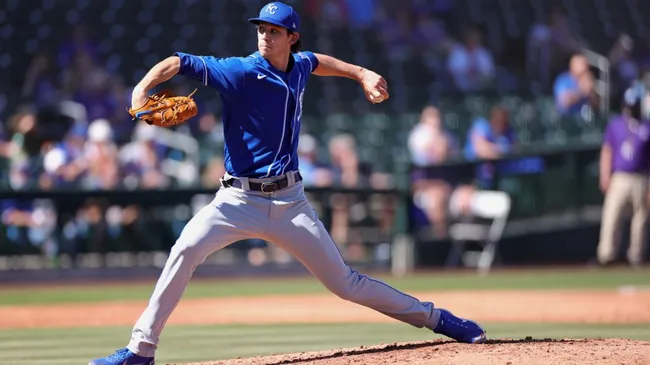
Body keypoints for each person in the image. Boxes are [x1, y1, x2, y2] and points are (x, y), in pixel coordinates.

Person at [89, 3, 486, 364]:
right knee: (185, 250)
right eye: (261, 28)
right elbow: (177, 62)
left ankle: (438, 319)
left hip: (290, 203)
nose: (265, 35)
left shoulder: (297, 66)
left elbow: (319, 62)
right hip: (236, 201)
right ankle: (141, 350)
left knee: (346, 283)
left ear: (291, 38)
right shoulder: (239, 70)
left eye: (275, 31)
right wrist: (142, 90)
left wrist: (361, 73)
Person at [597, 83, 650, 268]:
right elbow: (607, 151)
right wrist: (605, 174)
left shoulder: (646, 126)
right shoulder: (616, 125)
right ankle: (606, 255)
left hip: (641, 178)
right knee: (612, 214)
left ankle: (636, 256)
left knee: (640, 218)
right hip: (619, 176)